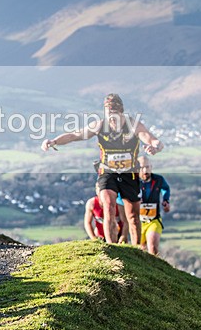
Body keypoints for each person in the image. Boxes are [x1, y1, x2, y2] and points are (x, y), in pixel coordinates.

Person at [40, 93, 164, 245]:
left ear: (122, 112)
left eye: (115, 115)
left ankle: (138, 249)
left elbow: (151, 138)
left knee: (132, 216)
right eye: (108, 115)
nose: (112, 119)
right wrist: (54, 141)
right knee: (109, 206)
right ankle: (112, 247)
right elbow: (74, 135)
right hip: (107, 172)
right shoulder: (99, 125)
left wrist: (155, 147)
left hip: (129, 174)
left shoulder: (133, 125)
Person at [135, 155, 171, 255]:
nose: (145, 170)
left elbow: (165, 189)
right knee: (140, 249)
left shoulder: (158, 179)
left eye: (147, 167)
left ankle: (155, 269)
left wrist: (166, 200)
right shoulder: (133, 181)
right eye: (142, 167)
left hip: (154, 220)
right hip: (138, 221)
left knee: (153, 248)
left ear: (151, 167)